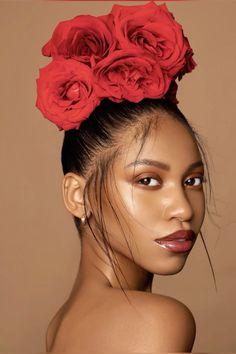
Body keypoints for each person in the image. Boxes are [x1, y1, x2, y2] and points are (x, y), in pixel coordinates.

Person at [36, 2, 209, 352]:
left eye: (192, 181)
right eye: (147, 180)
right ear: (77, 195)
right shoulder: (158, 323)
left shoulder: (60, 326)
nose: (183, 209)